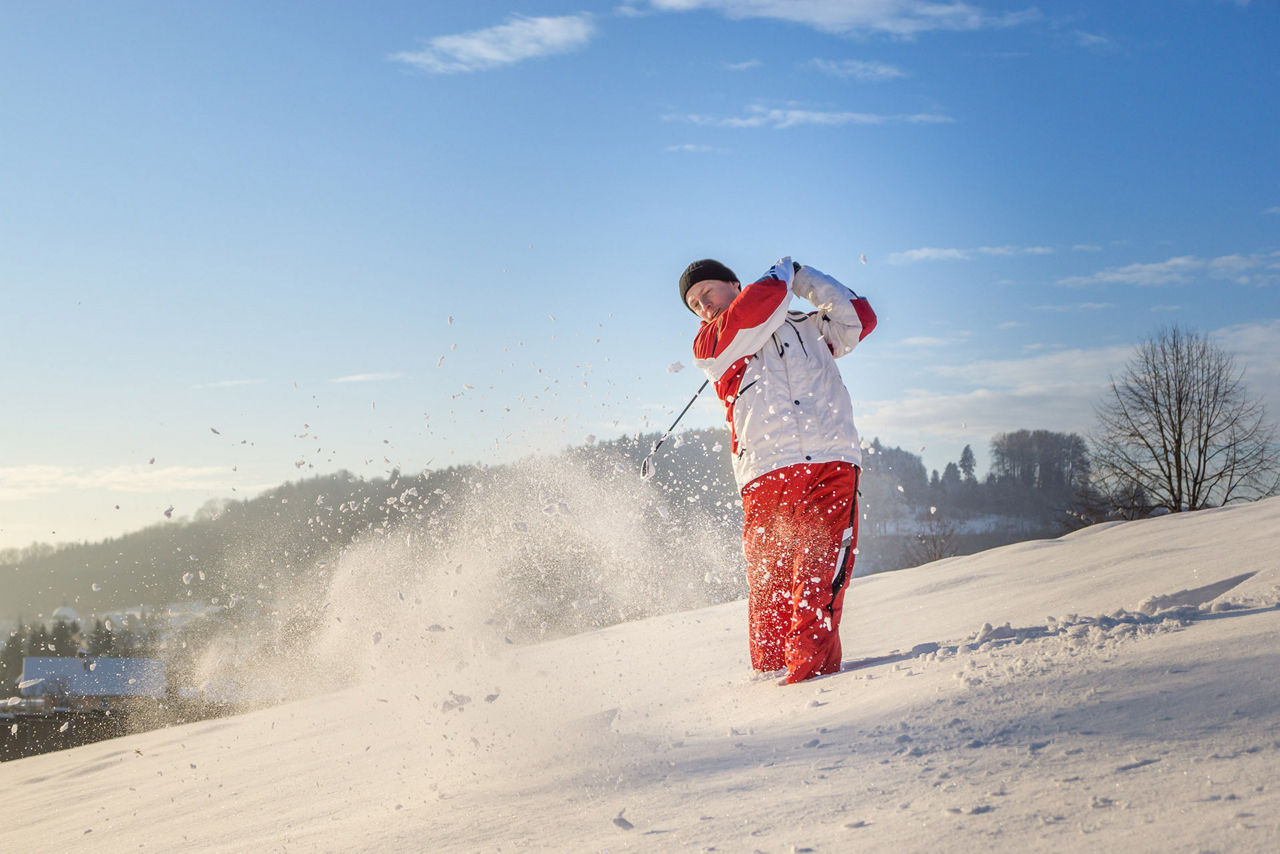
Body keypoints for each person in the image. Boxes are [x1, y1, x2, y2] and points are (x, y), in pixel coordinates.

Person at [680, 256, 877, 684]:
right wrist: (784, 272)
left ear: (733, 283)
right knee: (771, 589)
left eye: (707, 293)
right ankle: (769, 688)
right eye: (693, 304)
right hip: (769, 475)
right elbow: (759, 304)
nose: (702, 307)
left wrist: (807, 280)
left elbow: (859, 318)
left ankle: (813, 685)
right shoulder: (712, 344)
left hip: (831, 462)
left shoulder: (809, 326)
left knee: (817, 584)